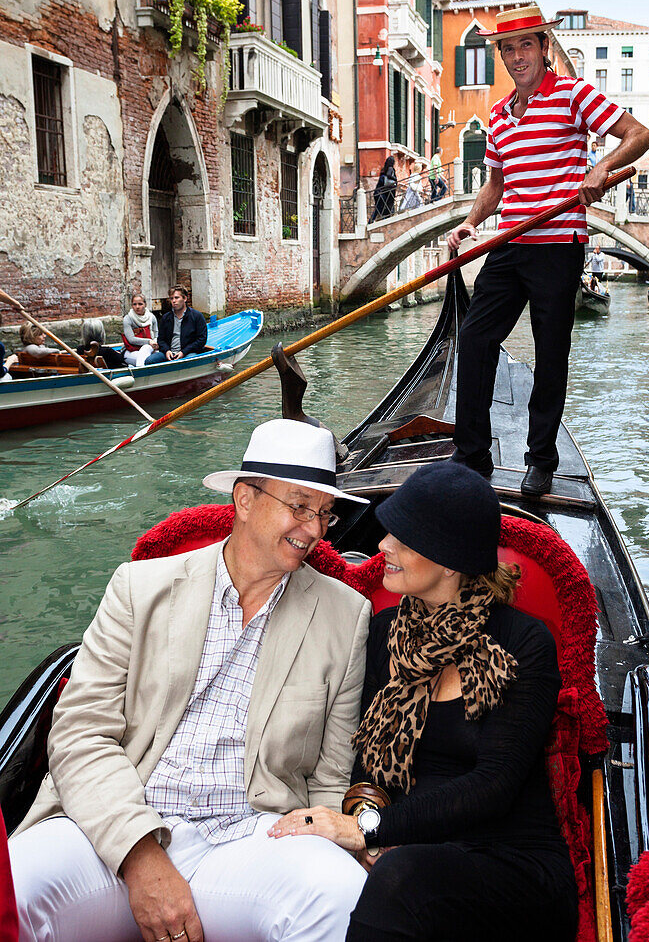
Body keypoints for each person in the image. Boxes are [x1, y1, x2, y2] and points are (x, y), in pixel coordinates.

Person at [10, 419, 371, 942]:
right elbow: (79, 733)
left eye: (323, 513)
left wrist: (341, 839)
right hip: (119, 827)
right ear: (245, 499)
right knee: (15, 884)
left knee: (341, 898)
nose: (313, 529)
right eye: (299, 506)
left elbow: (330, 776)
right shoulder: (140, 588)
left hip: (252, 839)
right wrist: (140, 858)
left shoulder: (345, 615)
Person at [269, 461, 578, 942]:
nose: (381, 547)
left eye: (402, 539)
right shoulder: (383, 633)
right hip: (405, 845)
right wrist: (365, 824)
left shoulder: (524, 643)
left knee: (401, 879)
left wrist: (372, 829)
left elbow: (494, 786)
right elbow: (362, 758)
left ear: (450, 558)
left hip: (510, 861)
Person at [446, 5, 649, 495]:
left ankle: (541, 459)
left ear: (544, 48)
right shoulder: (498, 115)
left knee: (551, 353)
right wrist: (471, 223)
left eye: (526, 45)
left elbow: (640, 135)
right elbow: (497, 182)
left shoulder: (573, 95)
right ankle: (471, 455)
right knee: (475, 341)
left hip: (559, 244)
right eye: (508, 48)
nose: (517, 57)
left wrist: (600, 168)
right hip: (510, 242)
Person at [157, 285, 207, 361]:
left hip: (189, 352)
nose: (173, 301)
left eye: (176, 298)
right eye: (171, 298)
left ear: (185, 299)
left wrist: (183, 352)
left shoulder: (197, 316)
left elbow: (201, 339)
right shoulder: (166, 318)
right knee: (150, 360)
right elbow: (161, 340)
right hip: (169, 353)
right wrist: (167, 350)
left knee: (189, 360)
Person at [122, 293, 160, 367]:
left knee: (147, 350)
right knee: (145, 353)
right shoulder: (128, 318)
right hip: (131, 350)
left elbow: (156, 334)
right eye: (134, 304)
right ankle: (141, 373)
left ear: (145, 304)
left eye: (140, 304)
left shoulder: (151, 317)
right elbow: (131, 339)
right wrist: (149, 341)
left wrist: (155, 343)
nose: (137, 307)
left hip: (151, 347)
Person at [371, 157, 397, 222]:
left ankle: (372, 220)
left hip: (379, 192)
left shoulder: (383, 170)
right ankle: (383, 220)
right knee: (384, 207)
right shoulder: (391, 169)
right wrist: (395, 179)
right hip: (383, 193)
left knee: (379, 208)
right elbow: (389, 175)